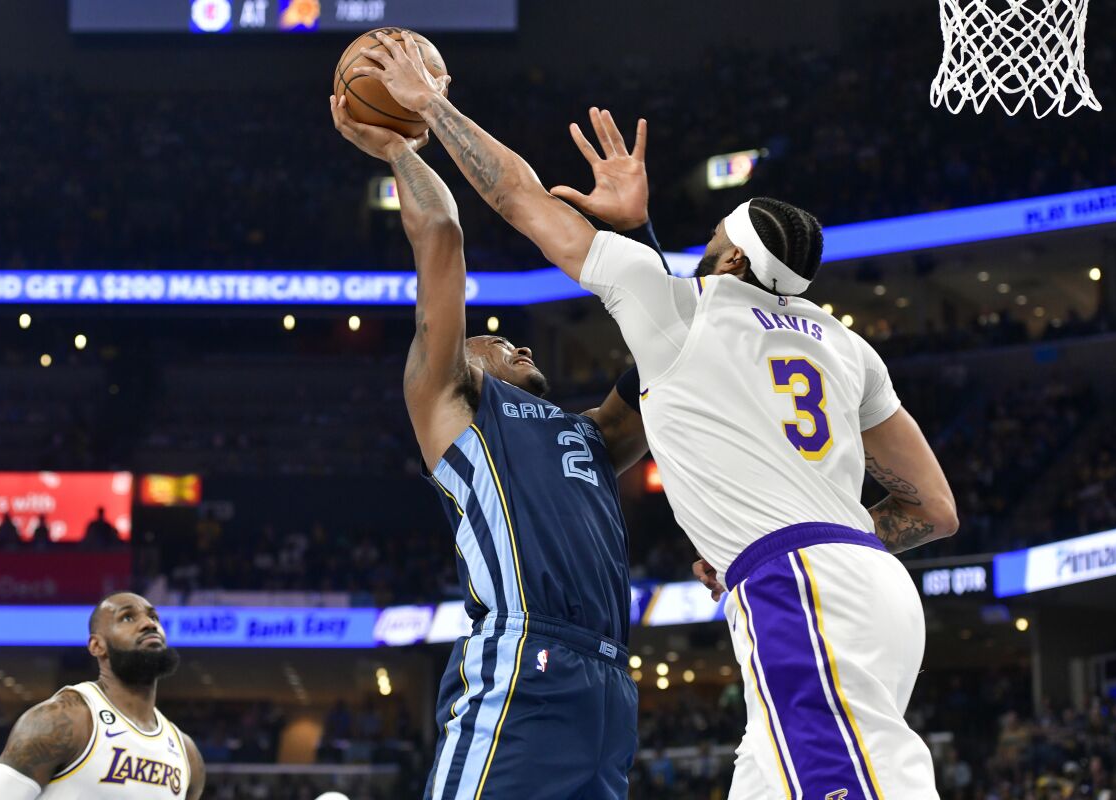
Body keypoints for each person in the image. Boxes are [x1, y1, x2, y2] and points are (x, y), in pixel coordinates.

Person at [355, 32, 960, 799]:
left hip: (792, 589)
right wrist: (804, 539)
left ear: (732, 259)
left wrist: (428, 105)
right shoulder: (845, 347)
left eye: (709, 240)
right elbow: (933, 510)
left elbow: (519, 200)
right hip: (850, 585)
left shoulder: (682, 316)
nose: (696, 250)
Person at [330, 84, 652, 800]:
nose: (513, 344)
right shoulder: (455, 405)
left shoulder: (592, 435)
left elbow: (671, 345)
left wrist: (634, 233)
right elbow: (442, 234)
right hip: (523, 657)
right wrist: (397, 147)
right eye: (492, 341)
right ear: (460, 360)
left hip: (609, 685)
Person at [0, 592, 205, 799]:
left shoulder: (187, 754)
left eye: (153, 617)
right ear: (97, 646)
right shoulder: (59, 721)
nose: (148, 624)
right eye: (127, 617)